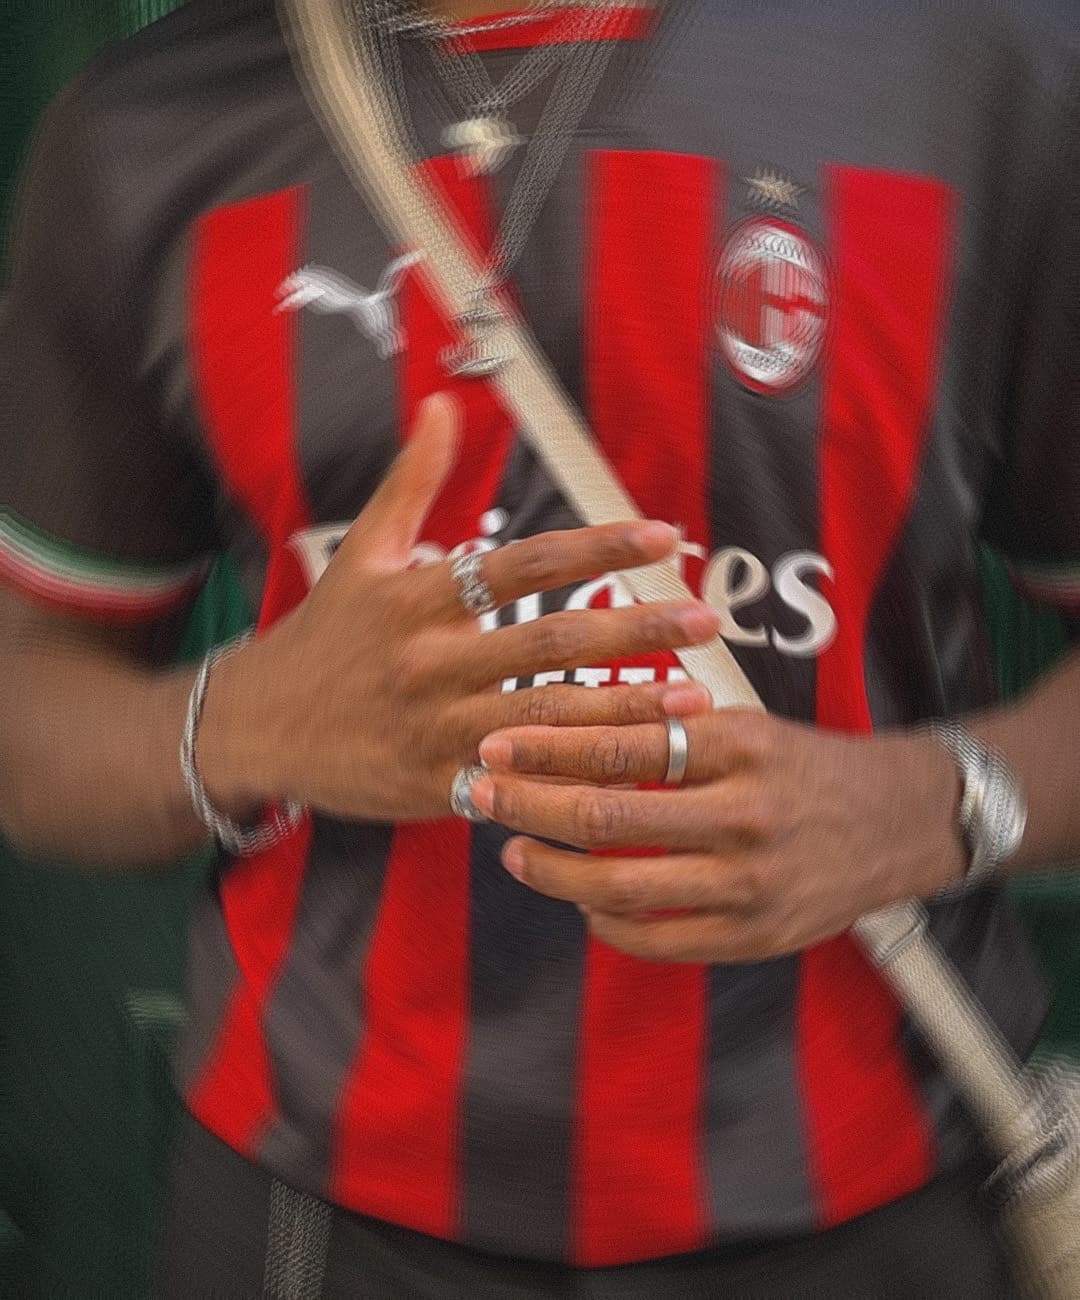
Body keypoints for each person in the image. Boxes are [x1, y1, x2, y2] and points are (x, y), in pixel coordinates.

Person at [1, 0, 1078, 1295]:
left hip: (876, 1193)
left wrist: (934, 806)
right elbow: (30, 712)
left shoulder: (989, 68)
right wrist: (247, 723)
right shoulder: (143, 135)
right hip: (316, 1222)